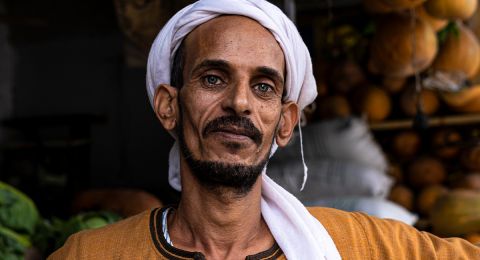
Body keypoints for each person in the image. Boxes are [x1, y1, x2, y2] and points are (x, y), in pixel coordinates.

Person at [49, 0, 480, 259]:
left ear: (286, 123)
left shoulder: (356, 245)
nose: (240, 102)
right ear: (169, 106)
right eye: (214, 78)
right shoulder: (92, 254)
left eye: (263, 86)